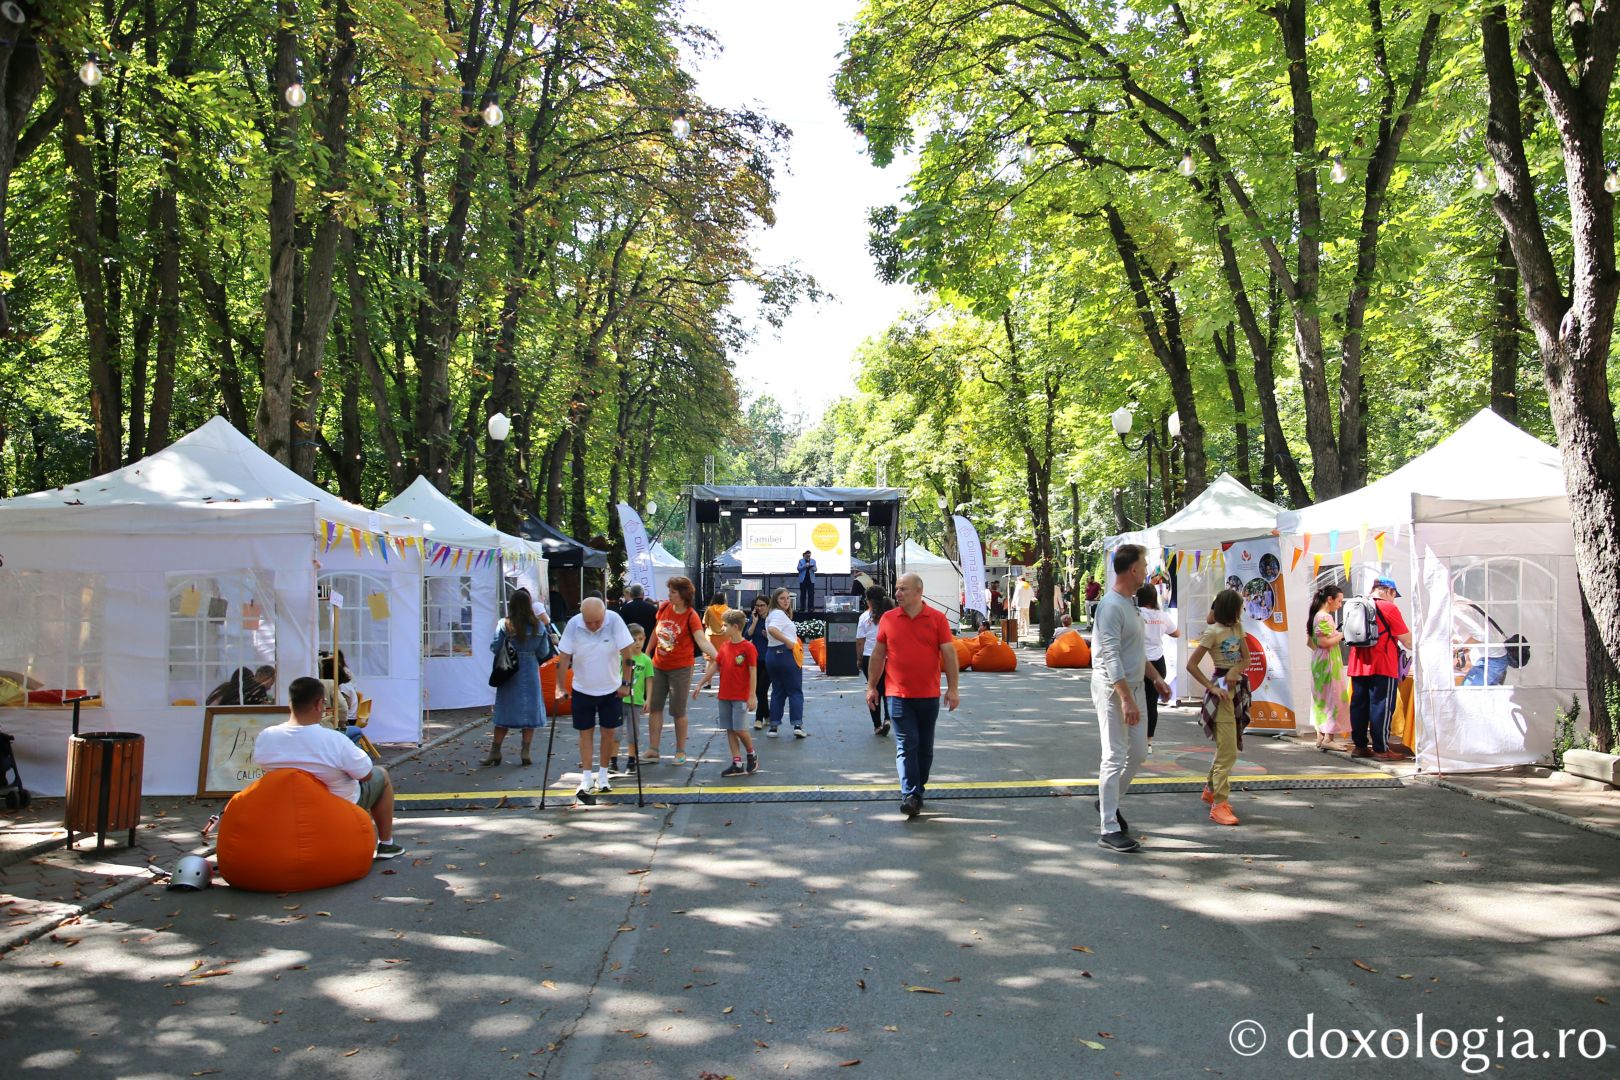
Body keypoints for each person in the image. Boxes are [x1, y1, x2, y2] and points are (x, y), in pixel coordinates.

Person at [253, 675, 402, 859]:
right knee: (382, 775)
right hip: (337, 808)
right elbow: (365, 775)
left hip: (286, 807)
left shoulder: (266, 737)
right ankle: (386, 844)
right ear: (319, 705)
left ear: (290, 703)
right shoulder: (334, 739)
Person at [1093, 546, 1172, 854]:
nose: (1147, 569)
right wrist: (1126, 698)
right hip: (1114, 690)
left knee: (1138, 753)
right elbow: (1110, 655)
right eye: (1144, 564)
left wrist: (1156, 678)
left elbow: (1135, 651)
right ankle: (1108, 827)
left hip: (1136, 686)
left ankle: (1106, 801)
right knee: (1114, 755)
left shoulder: (1131, 604)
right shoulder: (1111, 606)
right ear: (1133, 571)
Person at [865, 573, 959, 817]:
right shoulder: (888, 618)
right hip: (897, 695)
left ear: (919, 591)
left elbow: (949, 655)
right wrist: (872, 686)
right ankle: (910, 794)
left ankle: (918, 790)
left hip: (928, 695)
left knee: (924, 748)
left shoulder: (937, 619)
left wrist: (953, 688)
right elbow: (878, 654)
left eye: (903, 589)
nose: (897, 593)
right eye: (897, 589)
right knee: (907, 744)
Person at [554, 597, 638, 805]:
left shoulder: (614, 620)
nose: (592, 626)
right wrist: (560, 686)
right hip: (583, 688)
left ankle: (603, 774)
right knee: (586, 733)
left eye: (597, 622)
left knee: (609, 732)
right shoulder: (574, 625)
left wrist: (626, 683)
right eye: (588, 622)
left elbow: (627, 653)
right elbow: (564, 657)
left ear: (604, 614)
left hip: (610, 688)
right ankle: (585, 777)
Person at [1186, 589, 1251, 827]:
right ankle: (1219, 804)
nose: (1241, 612)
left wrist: (1235, 671)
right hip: (1222, 691)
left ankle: (1212, 790)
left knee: (1228, 745)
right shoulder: (1212, 632)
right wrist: (1211, 688)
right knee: (1228, 751)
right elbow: (1191, 665)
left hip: (1236, 688)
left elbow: (1246, 658)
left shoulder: (1237, 629)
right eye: (1239, 607)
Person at [644, 575, 717, 765]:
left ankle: (680, 751)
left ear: (683, 595)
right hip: (658, 665)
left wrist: (719, 656)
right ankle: (653, 749)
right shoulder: (664, 608)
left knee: (678, 711)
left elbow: (701, 640)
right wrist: (647, 652)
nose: (669, 594)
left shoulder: (691, 615)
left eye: (673, 592)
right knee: (655, 707)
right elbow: (655, 631)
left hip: (680, 668)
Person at [1348, 576, 1413, 761]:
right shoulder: (1389, 607)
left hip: (1358, 662)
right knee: (1381, 707)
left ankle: (1359, 746)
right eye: (1394, 594)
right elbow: (1407, 640)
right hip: (1383, 663)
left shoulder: (1357, 604)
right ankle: (1381, 749)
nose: (1394, 598)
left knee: (1359, 706)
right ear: (1388, 591)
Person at [484, 588, 549, 767]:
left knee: (504, 710)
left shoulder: (505, 624)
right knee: (529, 712)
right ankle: (525, 751)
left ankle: (495, 751)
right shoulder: (538, 626)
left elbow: (495, 647)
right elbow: (544, 651)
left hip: (509, 670)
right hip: (530, 669)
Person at [692, 608, 759, 777]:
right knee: (730, 728)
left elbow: (753, 672)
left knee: (739, 729)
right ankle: (737, 762)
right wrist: (700, 683)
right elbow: (716, 665)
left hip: (740, 695)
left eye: (725, 625)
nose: (723, 628)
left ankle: (751, 754)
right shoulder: (725, 646)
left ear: (735, 627)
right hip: (725, 694)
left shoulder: (748, 648)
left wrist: (752, 695)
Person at [1308, 585, 1351, 749]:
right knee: (1332, 697)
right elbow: (1324, 642)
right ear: (1329, 599)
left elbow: (1311, 642)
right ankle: (1328, 739)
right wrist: (1341, 634)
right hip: (1328, 662)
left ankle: (1321, 736)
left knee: (1321, 697)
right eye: (1338, 601)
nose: (1339, 605)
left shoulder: (1315, 616)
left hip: (1319, 661)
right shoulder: (1325, 617)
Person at [1137, 583, 1179, 751]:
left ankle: (1134, 738)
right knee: (1151, 704)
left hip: (1140, 661)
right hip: (1158, 662)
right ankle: (1148, 741)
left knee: (1135, 701)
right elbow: (1176, 633)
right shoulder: (1162, 615)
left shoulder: (1137, 614)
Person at [764, 588, 806, 737]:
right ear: (775, 599)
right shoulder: (779, 614)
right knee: (794, 691)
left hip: (772, 655)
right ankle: (797, 725)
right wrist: (788, 641)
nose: (786, 601)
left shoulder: (771, 614)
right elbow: (772, 629)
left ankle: (773, 726)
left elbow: (769, 630)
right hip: (786, 655)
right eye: (782, 598)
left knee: (778, 691)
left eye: (788, 598)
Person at [855, 584, 893, 735]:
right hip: (890, 657)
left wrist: (858, 659)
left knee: (873, 689)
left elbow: (860, 640)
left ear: (869, 600)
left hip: (870, 657)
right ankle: (888, 718)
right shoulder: (892, 615)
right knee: (889, 689)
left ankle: (877, 725)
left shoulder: (864, 617)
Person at [620, 622, 656, 772]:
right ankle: (612, 760)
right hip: (620, 699)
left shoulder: (646, 660)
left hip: (637, 700)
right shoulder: (620, 657)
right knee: (614, 731)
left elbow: (649, 680)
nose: (638, 643)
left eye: (641, 639)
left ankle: (631, 759)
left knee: (633, 732)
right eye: (634, 639)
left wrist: (648, 699)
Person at [744, 595, 773, 731]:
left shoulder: (772, 619)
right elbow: (747, 636)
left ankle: (758, 719)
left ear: (768, 606)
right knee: (758, 690)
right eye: (757, 605)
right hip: (756, 659)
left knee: (762, 689)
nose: (760, 608)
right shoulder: (753, 618)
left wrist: (769, 636)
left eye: (762, 605)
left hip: (770, 659)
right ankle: (768, 715)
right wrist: (754, 622)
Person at [703, 591, 730, 667]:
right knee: (724, 659)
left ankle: (708, 678)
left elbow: (705, 622)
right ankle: (723, 678)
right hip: (724, 637)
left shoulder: (709, 609)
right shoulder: (728, 610)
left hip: (711, 637)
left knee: (710, 660)